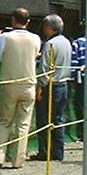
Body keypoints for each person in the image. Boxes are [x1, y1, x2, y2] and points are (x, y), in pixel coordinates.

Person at [0, 8, 41, 168]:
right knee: (23, 123)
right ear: (28, 21)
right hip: (29, 84)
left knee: (3, 121)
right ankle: (17, 160)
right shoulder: (35, 38)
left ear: (13, 20)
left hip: (10, 83)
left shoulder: (5, 37)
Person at [32, 15, 72, 162]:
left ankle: (44, 151)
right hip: (64, 84)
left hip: (51, 85)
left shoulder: (50, 44)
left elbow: (44, 69)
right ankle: (58, 151)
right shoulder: (67, 42)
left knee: (43, 119)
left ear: (50, 27)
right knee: (59, 119)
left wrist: (39, 87)